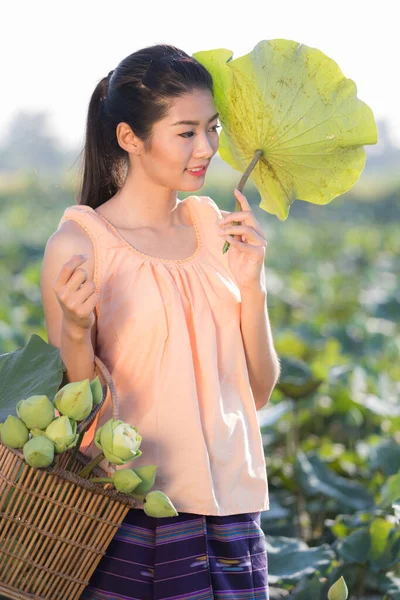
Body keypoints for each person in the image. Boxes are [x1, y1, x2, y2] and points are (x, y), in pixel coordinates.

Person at [40, 43, 280, 600]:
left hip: (233, 514)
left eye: (213, 128)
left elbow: (259, 391)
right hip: (131, 516)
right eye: (187, 131)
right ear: (130, 137)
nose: (208, 148)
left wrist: (252, 286)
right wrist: (76, 332)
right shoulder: (79, 244)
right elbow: (75, 414)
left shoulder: (216, 230)